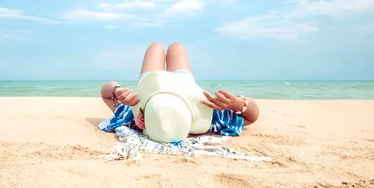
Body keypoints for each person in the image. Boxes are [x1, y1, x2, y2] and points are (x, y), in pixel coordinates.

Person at [99, 42, 260, 142]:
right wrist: (236, 103)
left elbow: (105, 91)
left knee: (155, 47)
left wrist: (117, 90)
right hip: (183, 83)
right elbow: (252, 116)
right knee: (176, 47)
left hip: (152, 85)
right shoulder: (211, 119)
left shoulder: (130, 116)